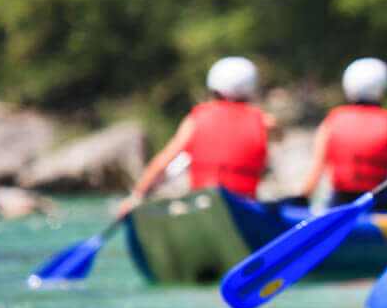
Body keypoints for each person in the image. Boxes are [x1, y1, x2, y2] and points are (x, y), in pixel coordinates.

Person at [117, 56, 275, 216]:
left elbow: (163, 160)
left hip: (205, 202)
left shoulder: (197, 117)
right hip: (245, 204)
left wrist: (136, 197)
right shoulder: (265, 121)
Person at [294, 57, 387, 205]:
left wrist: (301, 198)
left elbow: (317, 169)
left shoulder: (332, 120)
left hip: (340, 203)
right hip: (378, 203)